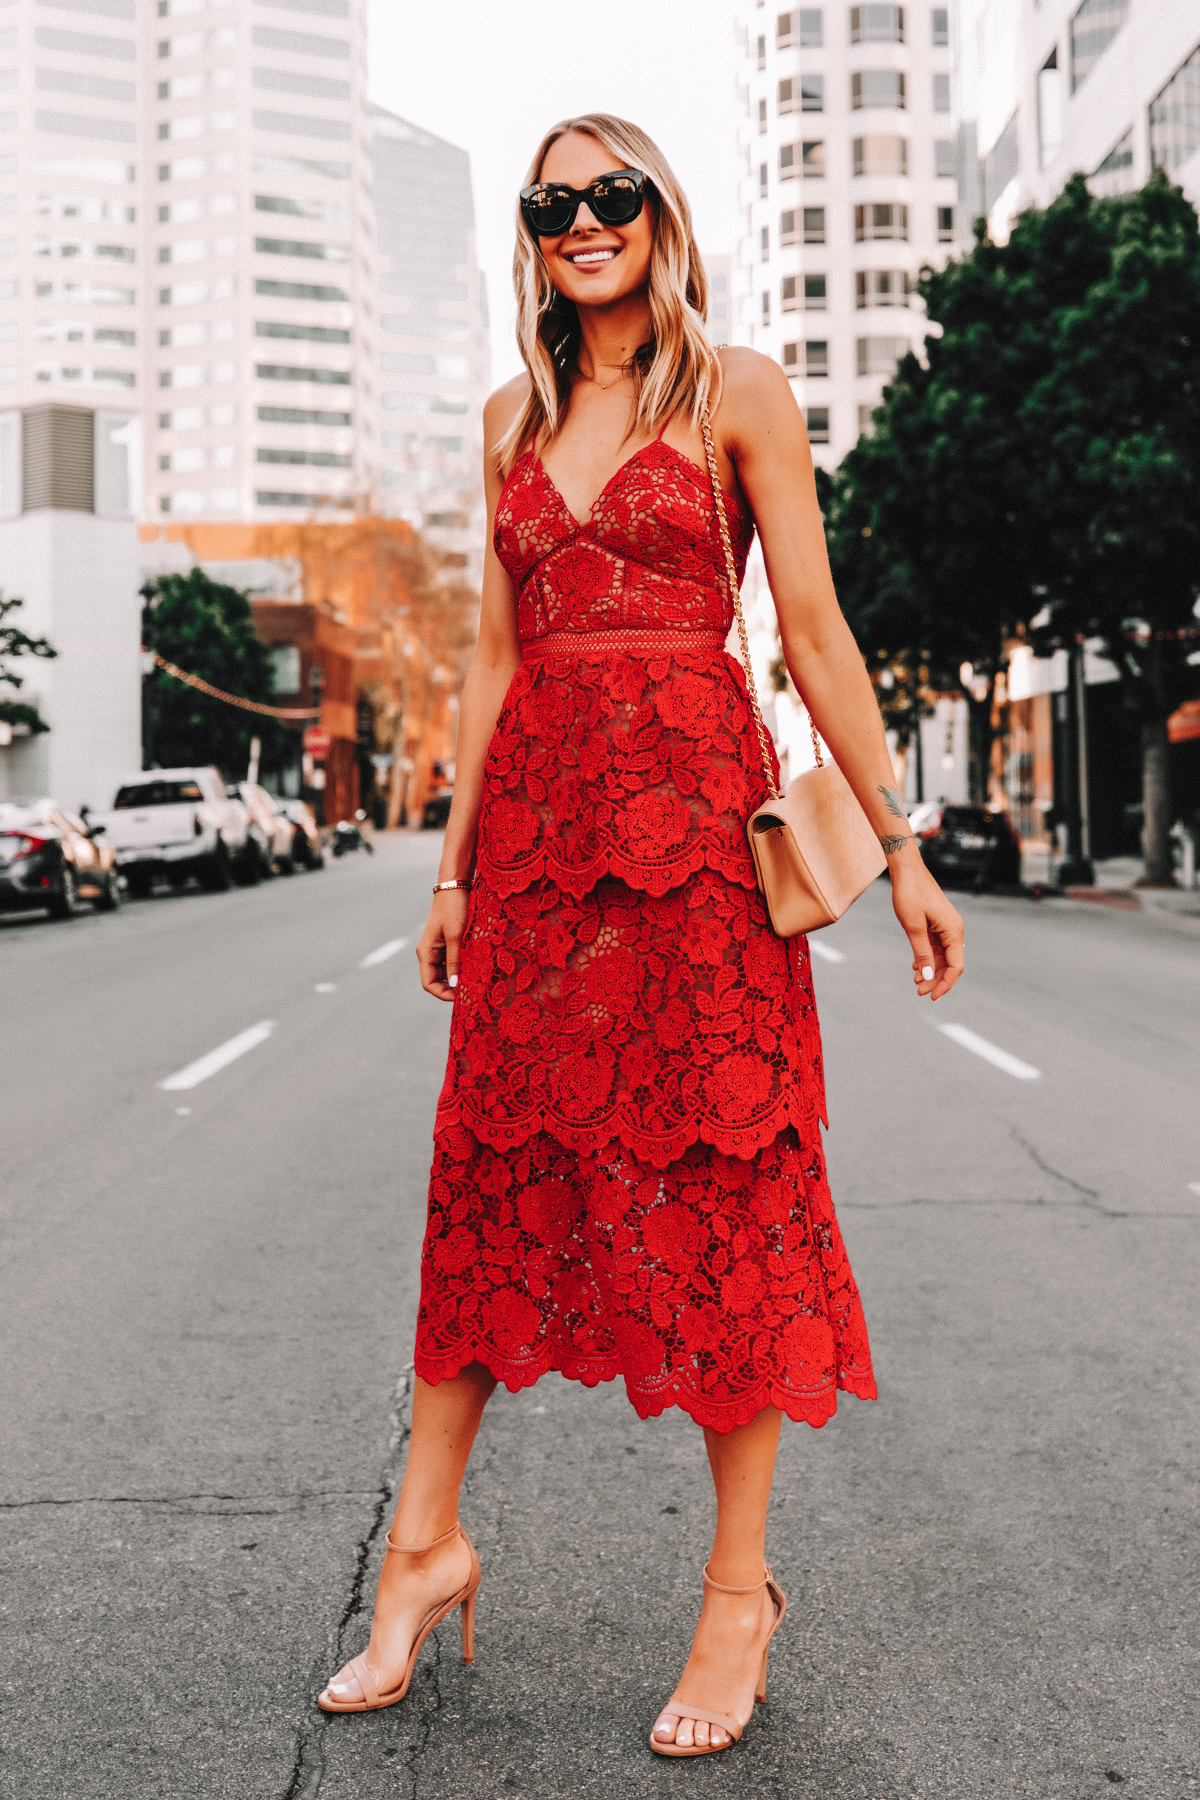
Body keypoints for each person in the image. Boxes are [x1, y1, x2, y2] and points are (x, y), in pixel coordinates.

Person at [319, 112, 964, 1755]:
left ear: (661, 221)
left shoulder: (737, 390)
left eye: (609, 198)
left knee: (720, 1189)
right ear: (533, 238)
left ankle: (738, 1592)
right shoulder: (508, 420)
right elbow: (489, 658)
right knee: (492, 1178)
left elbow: (809, 629)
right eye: (553, 206)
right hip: (538, 854)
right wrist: (455, 868)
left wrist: (902, 846)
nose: (580, 224)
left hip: (698, 863)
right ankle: (421, 1548)